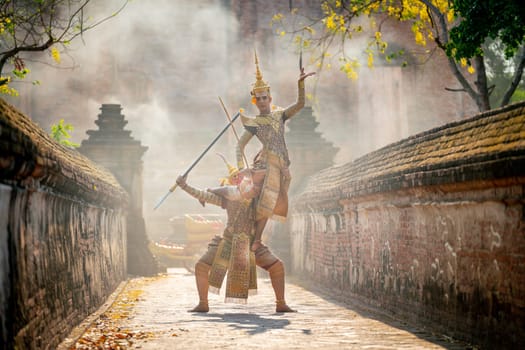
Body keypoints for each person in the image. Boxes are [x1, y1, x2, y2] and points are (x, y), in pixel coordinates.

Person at [175, 158, 296, 313]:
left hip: (251, 244)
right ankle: (203, 303)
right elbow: (204, 195)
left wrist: (286, 176)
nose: (255, 186)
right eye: (253, 182)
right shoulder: (229, 195)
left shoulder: (261, 200)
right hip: (228, 242)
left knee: (277, 267)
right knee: (201, 266)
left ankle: (281, 303)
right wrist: (184, 186)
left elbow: (280, 192)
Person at [236, 52, 315, 252]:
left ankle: (256, 238)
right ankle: (256, 239)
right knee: (267, 201)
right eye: (258, 98)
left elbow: (300, 105)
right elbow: (239, 146)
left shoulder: (280, 115)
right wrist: (241, 169)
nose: (262, 101)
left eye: (264, 97)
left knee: (274, 204)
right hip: (266, 165)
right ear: (254, 101)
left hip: (282, 167)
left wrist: (301, 84)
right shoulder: (254, 123)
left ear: (270, 98)